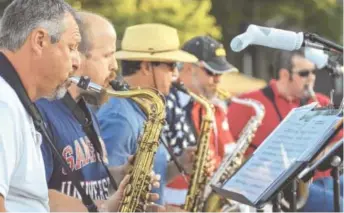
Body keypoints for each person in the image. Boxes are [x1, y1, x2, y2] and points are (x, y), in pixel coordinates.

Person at [35, 12, 161, 212]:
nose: (115, 66)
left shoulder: (86, 109)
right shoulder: (41, 111)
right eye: (107, 55)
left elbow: (80, 179)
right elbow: (36, 196)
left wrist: (121, 174)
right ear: (76, 55)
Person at [97, 23, 201, 207]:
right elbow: (106, 192)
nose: (176, 74)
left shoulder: (145, 109)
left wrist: (180, 166)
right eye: (171, 66)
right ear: (146, 66)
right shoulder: (120, 119)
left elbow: (144, 180)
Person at [227, 49, 343, 212]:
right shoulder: (248, 103)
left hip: (323, 177)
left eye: (313, 72)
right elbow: (228, 150)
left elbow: (339, 140)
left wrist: (323, 151)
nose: (311, 78)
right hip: (280, 189)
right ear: (284, 74)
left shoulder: (320, 101)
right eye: (304, 73)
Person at [0, 0, 80, 211]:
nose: (77, 62)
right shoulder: (3, 104)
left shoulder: (13, 101)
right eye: (71, 47)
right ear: (40, 40)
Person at [162, 35, 237, 206]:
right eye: (212, 72)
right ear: (189, 68)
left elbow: (228, 153)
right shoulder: (166, 105)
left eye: (221, 73)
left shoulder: (210, 105)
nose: (218, 80)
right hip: (174, 202)